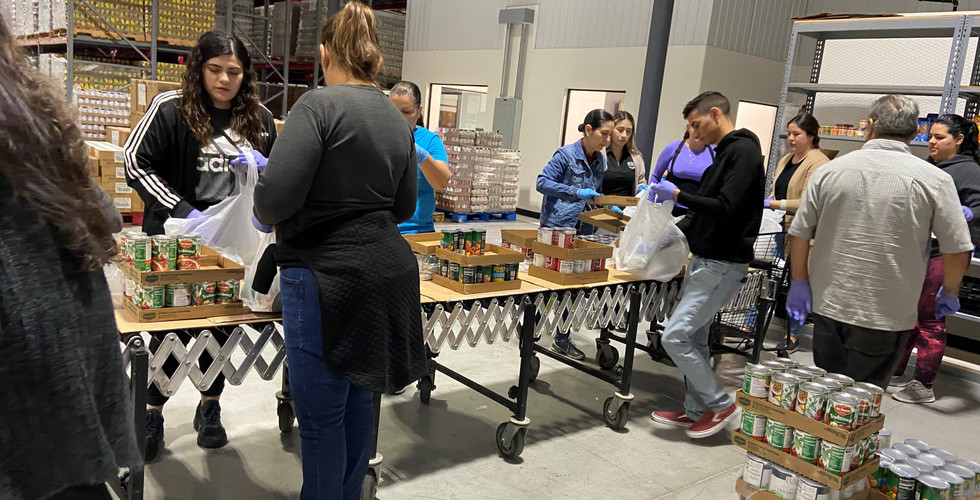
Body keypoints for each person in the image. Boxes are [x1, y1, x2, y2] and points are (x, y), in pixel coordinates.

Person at [253, 3, 424, 499]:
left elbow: (273, 201)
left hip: (325, 273)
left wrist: (266, 191)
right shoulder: (396, 119)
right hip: (386, 271)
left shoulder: (317, 106)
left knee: (321, 417)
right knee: (358, 404)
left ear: (324, 53)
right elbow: (404, 205)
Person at [0, 12, 140, 499]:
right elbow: (113, 200)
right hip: (63, 377)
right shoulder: (32, 113)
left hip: (32, 394)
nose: (227, 79)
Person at [124, 30, 278, 461]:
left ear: (245, 75)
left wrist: (267, 172)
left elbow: (280, 175)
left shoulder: (260, 119)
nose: (224, 79)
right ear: (199, 68)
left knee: (220, 327)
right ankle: (153, 411)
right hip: (178, 241)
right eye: (215, 70)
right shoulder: (170, 108)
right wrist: (181, 210)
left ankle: (210, 407)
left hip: (232, 247)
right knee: (170, 327)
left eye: (234, 72)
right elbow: (135, 160)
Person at [785, 95, 973, 391]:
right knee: (863, 397)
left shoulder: (830, 171)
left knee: (826, 390)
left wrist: (799, 283)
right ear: (916, 132)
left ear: (870, 126)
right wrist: (949, 290)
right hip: (887, 313)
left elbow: (800, 233)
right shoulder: (934, 180)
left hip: (829, 304)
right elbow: (958, 248)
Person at [648, 91, 765, 439]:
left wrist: (677, 195)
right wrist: (665, 237)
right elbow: (705, 212)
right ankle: (695, 411)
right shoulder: (724, 154)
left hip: (722, 263)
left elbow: (726, 208)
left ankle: (721, 404)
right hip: (704, 258)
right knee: (696, 338)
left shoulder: (743, 153)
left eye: (697, 125)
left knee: (675, 336)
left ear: (715, 114)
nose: (694, 133)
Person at [892, 114, 980, 404]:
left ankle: (923, 385)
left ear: (959, 140)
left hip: (945, 254)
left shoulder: (969, 171)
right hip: (920, 251)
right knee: (909, 315)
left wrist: (970, 213)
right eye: (930, 135)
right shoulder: (932, 166)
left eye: (939, 137)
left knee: (930, 319)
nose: (931, 141)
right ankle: (896, 370)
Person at [536, 108, 615, 360]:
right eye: (604, 134)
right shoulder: (565, 155)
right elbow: (542, 182)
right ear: (589, 130)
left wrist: (605, 205)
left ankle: (562, 337)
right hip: (557, 228)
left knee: (573, 287)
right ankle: (533, 326)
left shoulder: (600, 160)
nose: (607, 140)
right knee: (548, 282)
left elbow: (595, 191)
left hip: (584, 229)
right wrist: (575, 192)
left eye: (610, 135)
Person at [766, 113, 830, 353]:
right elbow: (777, 190)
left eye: (797, 134)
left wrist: (775, 204)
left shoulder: (818, 162)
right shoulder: (786, 160)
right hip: (779, 228)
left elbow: (808, 202)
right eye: (789, 134)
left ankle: (792, 335)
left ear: (811, 135)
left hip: (804, 233)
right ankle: (754, 325)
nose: (791, 139)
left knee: (798, 282)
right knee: (771, 277)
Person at [389, 80, 451, 234]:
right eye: (393, 111)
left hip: (417, 232)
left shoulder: (429, 140)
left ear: (418, 111)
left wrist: (420, 155)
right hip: (382, 231)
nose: (399, 118)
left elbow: (441, 181)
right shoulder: (377, 136)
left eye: (406, 111)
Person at [650, 125, 715, 216]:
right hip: (667, 210)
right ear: (688, 127)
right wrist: (649, 201)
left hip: (697, 213)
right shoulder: (674, 147)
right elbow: (656, 175)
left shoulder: (714, 153)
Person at [602, 110, 648, 196]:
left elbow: (640, 181)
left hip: (628, 204)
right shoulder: (601, 154)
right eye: (620, 130)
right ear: (611, 130)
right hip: (603, 203)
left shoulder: (636, 156)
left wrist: (642, 187)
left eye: (628, 131)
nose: (624, 135)